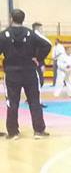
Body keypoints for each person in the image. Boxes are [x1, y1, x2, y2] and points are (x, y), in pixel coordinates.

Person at [0, 8, 51, 138]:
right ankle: (39, 131)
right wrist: (38, 58)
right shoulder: (31, 33)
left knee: (12, 102)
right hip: (30, 71)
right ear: (23, 19)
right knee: (34, 101)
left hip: (11, 73)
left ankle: (13, 132)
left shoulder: (3, 35)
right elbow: (47, 45)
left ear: (11, 18)